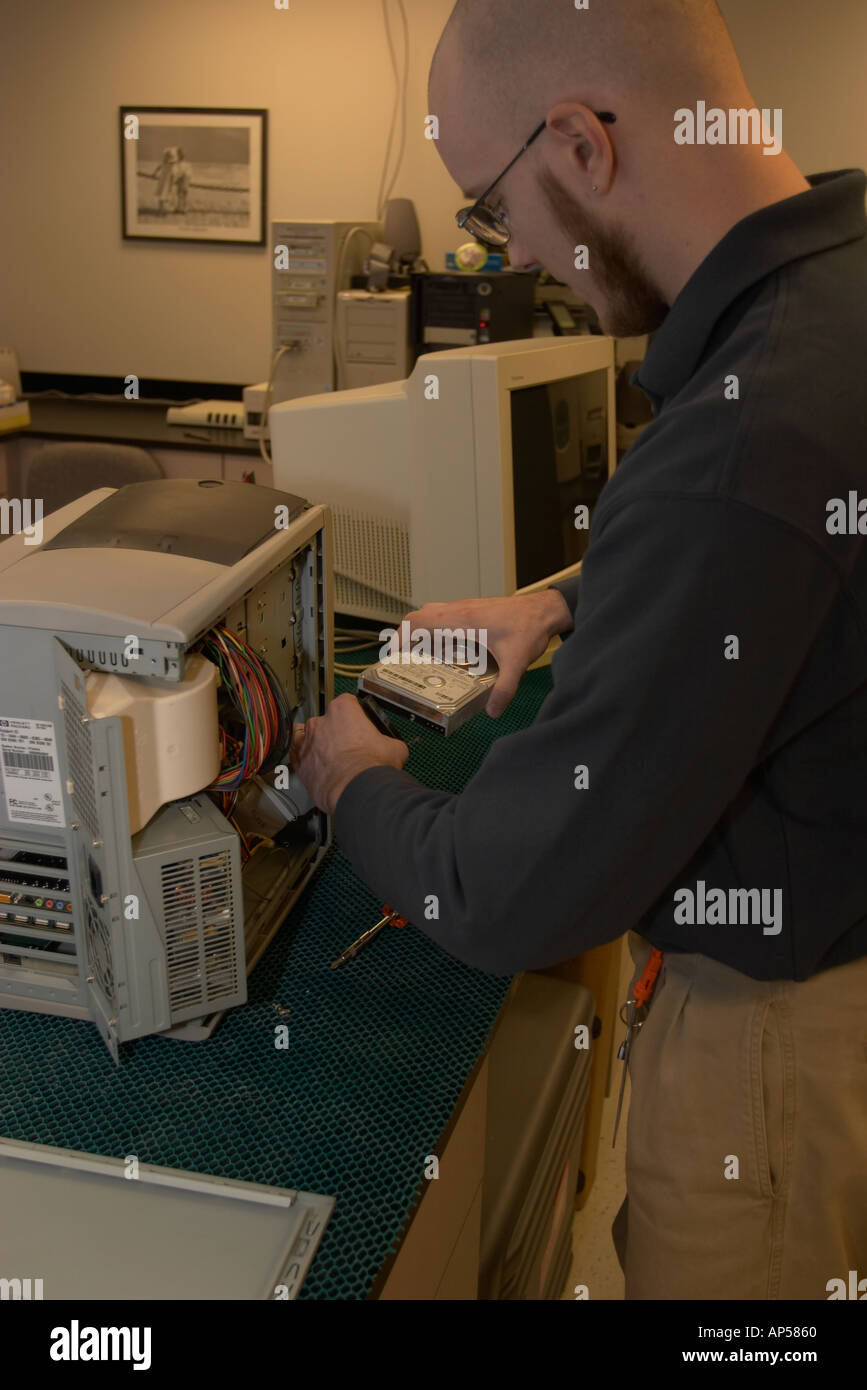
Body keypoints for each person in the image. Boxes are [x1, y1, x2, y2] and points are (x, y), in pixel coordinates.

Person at [290, 0, 867, 1300]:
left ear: (579, 144)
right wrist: (567, 599)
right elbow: (797, 564)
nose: (521, 258)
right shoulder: (837, 280)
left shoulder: (741, 433)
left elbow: (514, 890)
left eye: (495, 213)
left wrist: (348, 774)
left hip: (778, 1040)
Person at [154, 147, 178, 214]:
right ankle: (163, 210)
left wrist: (154, 173)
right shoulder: (173, 165)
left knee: (162, 196)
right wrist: (174, 180)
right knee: (167, 195)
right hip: (167, 182)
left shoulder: (164, 163)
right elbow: (174, 174)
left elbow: (158, 168)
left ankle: (161, 210)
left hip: (163, 182)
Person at [173, 147, 193, 214]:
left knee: (180, 195)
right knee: (184, 195)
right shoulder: (187, 164)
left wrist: (175, 179)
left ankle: (180, 209)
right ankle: (184, 209)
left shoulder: (180, 164)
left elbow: (180, 173)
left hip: (182, 181)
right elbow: (190, 173)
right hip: (186, 181)